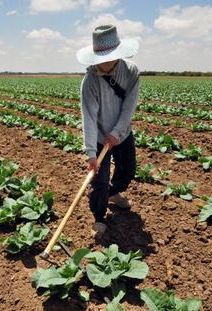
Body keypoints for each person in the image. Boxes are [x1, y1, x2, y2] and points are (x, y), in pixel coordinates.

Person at [76, 24, 140, 237]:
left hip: (122, 133)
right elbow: (89, 117)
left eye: (110, 56)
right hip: (100, 137)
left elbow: (129, 106)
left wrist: (117, 132)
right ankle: (99, 217)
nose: (105, 61)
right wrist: (91, 154)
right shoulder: (90, 81)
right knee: (100, 179)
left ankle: (111, 194)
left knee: (128, 171)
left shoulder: (131, 72)